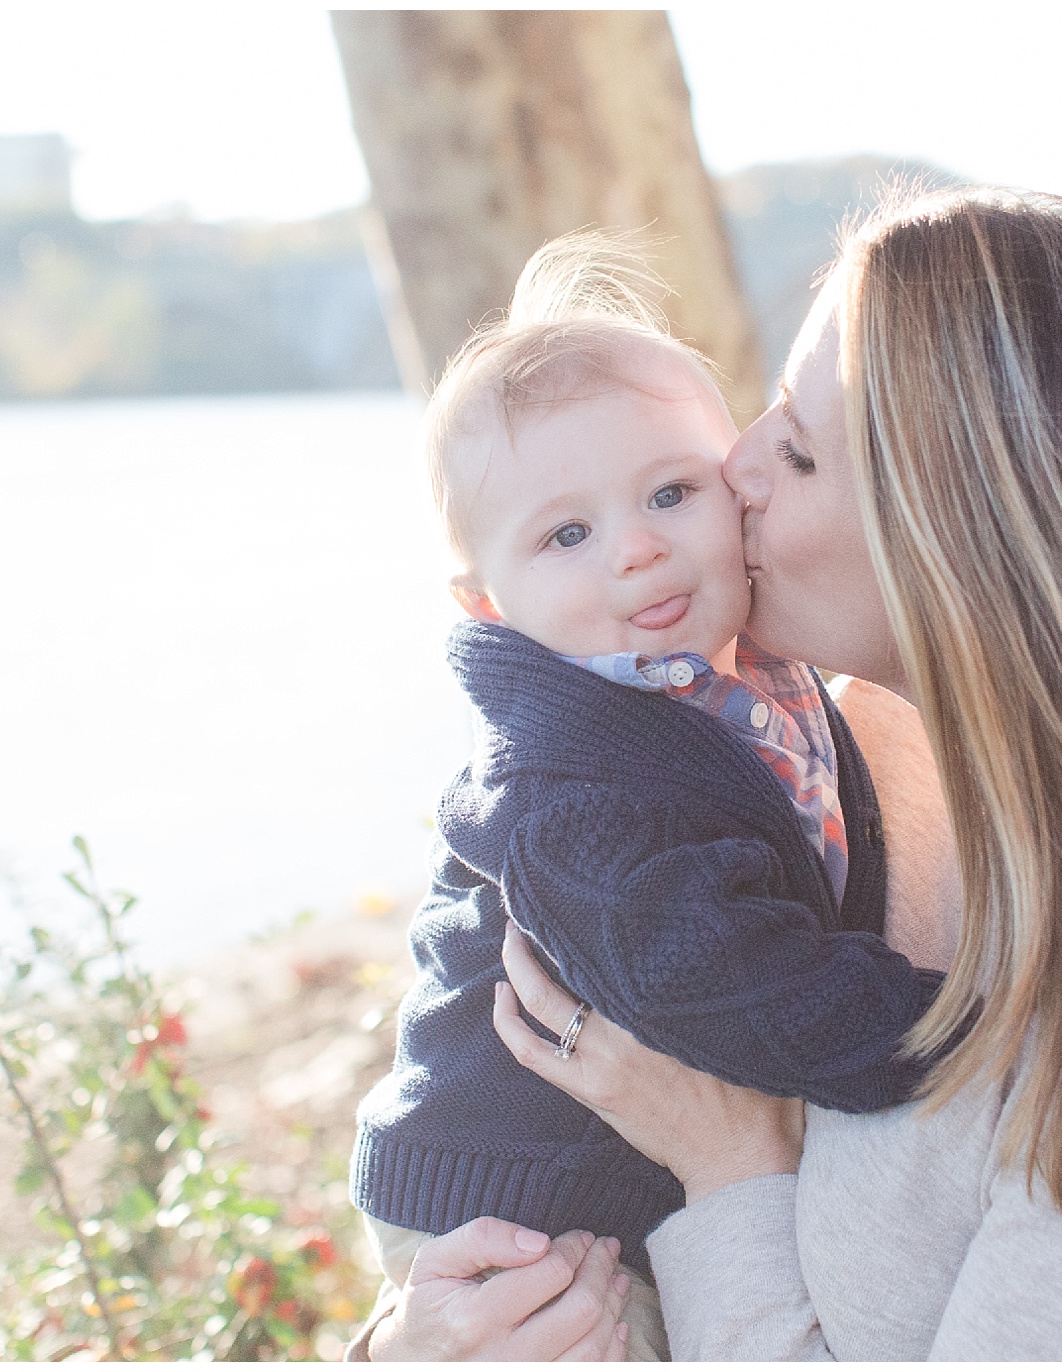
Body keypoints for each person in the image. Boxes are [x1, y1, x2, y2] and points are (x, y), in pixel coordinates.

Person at [355, 188, 1062, 1361]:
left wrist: (728, 1161)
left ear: (966, 545)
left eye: (793, 445)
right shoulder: (817, 751)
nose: (730, 470)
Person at [347, 234, 946, 1361]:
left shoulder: (743, 683)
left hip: (606, 1163)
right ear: (487, 603)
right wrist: (955, 1030)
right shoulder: (572, 788)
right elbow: (729, 979)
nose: (636, 550)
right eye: (567, 534)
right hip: (526, 1208)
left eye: (671, 491)